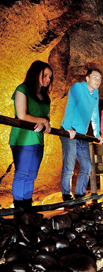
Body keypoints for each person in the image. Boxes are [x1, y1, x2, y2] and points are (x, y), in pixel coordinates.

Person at [9, 60, 53, 211]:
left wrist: (46, 123)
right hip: (23, 139)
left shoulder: (46, 97)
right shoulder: (23, 89)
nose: (48, 79)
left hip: (38, 140)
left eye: (50, 77)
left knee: (32, 174)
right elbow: (22, 115)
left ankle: (27, 205)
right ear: (36, 73)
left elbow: (47, 119)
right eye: (45, 75)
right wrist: (43, 121)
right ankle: (18, 208)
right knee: (22, 173)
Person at [60, 68, 103, 201]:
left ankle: (79, 194)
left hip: (81, 135)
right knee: (69, 164)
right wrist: (68, 128)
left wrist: (97, 133)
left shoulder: (95, 93)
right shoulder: (77, 87)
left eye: (100, 79)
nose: (98, 81)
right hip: (70, 131)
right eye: (95, 77)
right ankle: (66, 195)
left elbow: (95, 114)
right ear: (87, 78)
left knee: (87, 166)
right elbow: (70, 106)